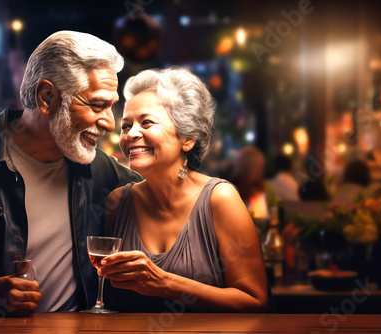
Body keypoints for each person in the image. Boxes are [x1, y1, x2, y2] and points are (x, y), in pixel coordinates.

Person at [0, 31, 142, 315]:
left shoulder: (102, 170)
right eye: (97, 105)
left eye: (112, 106)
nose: (109, 122)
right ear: (46, 97)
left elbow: (169, 193)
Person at [100, 67, 269, 312]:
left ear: (187, 138)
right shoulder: (118, 203)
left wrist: (165, 283)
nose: (131, 134)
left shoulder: (220, 199)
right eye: (126, 126)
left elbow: (256, 302)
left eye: (146, 122)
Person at [232, 145, 270, 219]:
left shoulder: (258, 187)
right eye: (260, 167)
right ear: (251, 168)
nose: (262, 171)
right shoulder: (236, 191)